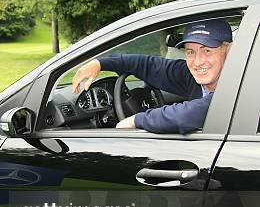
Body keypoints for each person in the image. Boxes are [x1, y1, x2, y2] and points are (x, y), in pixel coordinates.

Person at [72, 19, 233, 134]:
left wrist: (135, 120)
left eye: (207, 51)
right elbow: (148, 65)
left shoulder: (237, 89)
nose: (197, 62)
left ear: (229, 50)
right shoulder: (191, 76)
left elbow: (186, 116)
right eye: (190, 52)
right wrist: (101, 63)